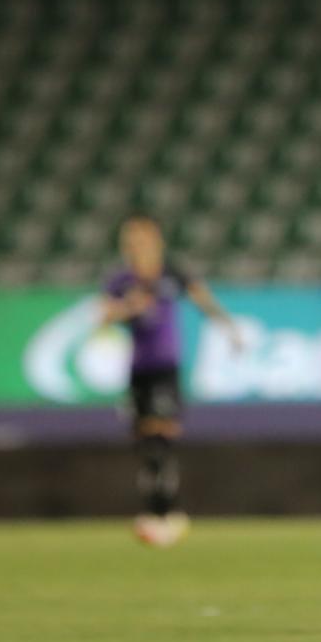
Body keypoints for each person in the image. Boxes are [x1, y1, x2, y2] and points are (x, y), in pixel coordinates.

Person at [101, 215, 242, 547]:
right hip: (139, 370)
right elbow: (103, 315)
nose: (137, 246)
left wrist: (229, 328)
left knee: (161, 439)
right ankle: (158, 512)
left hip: (166, 368)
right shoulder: (121, 280)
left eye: (142, 239)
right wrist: (128, 307)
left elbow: (203, 300)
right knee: (145, 444)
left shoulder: (172, 273)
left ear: (156, 241)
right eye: (131, 241)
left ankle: (165, 514)